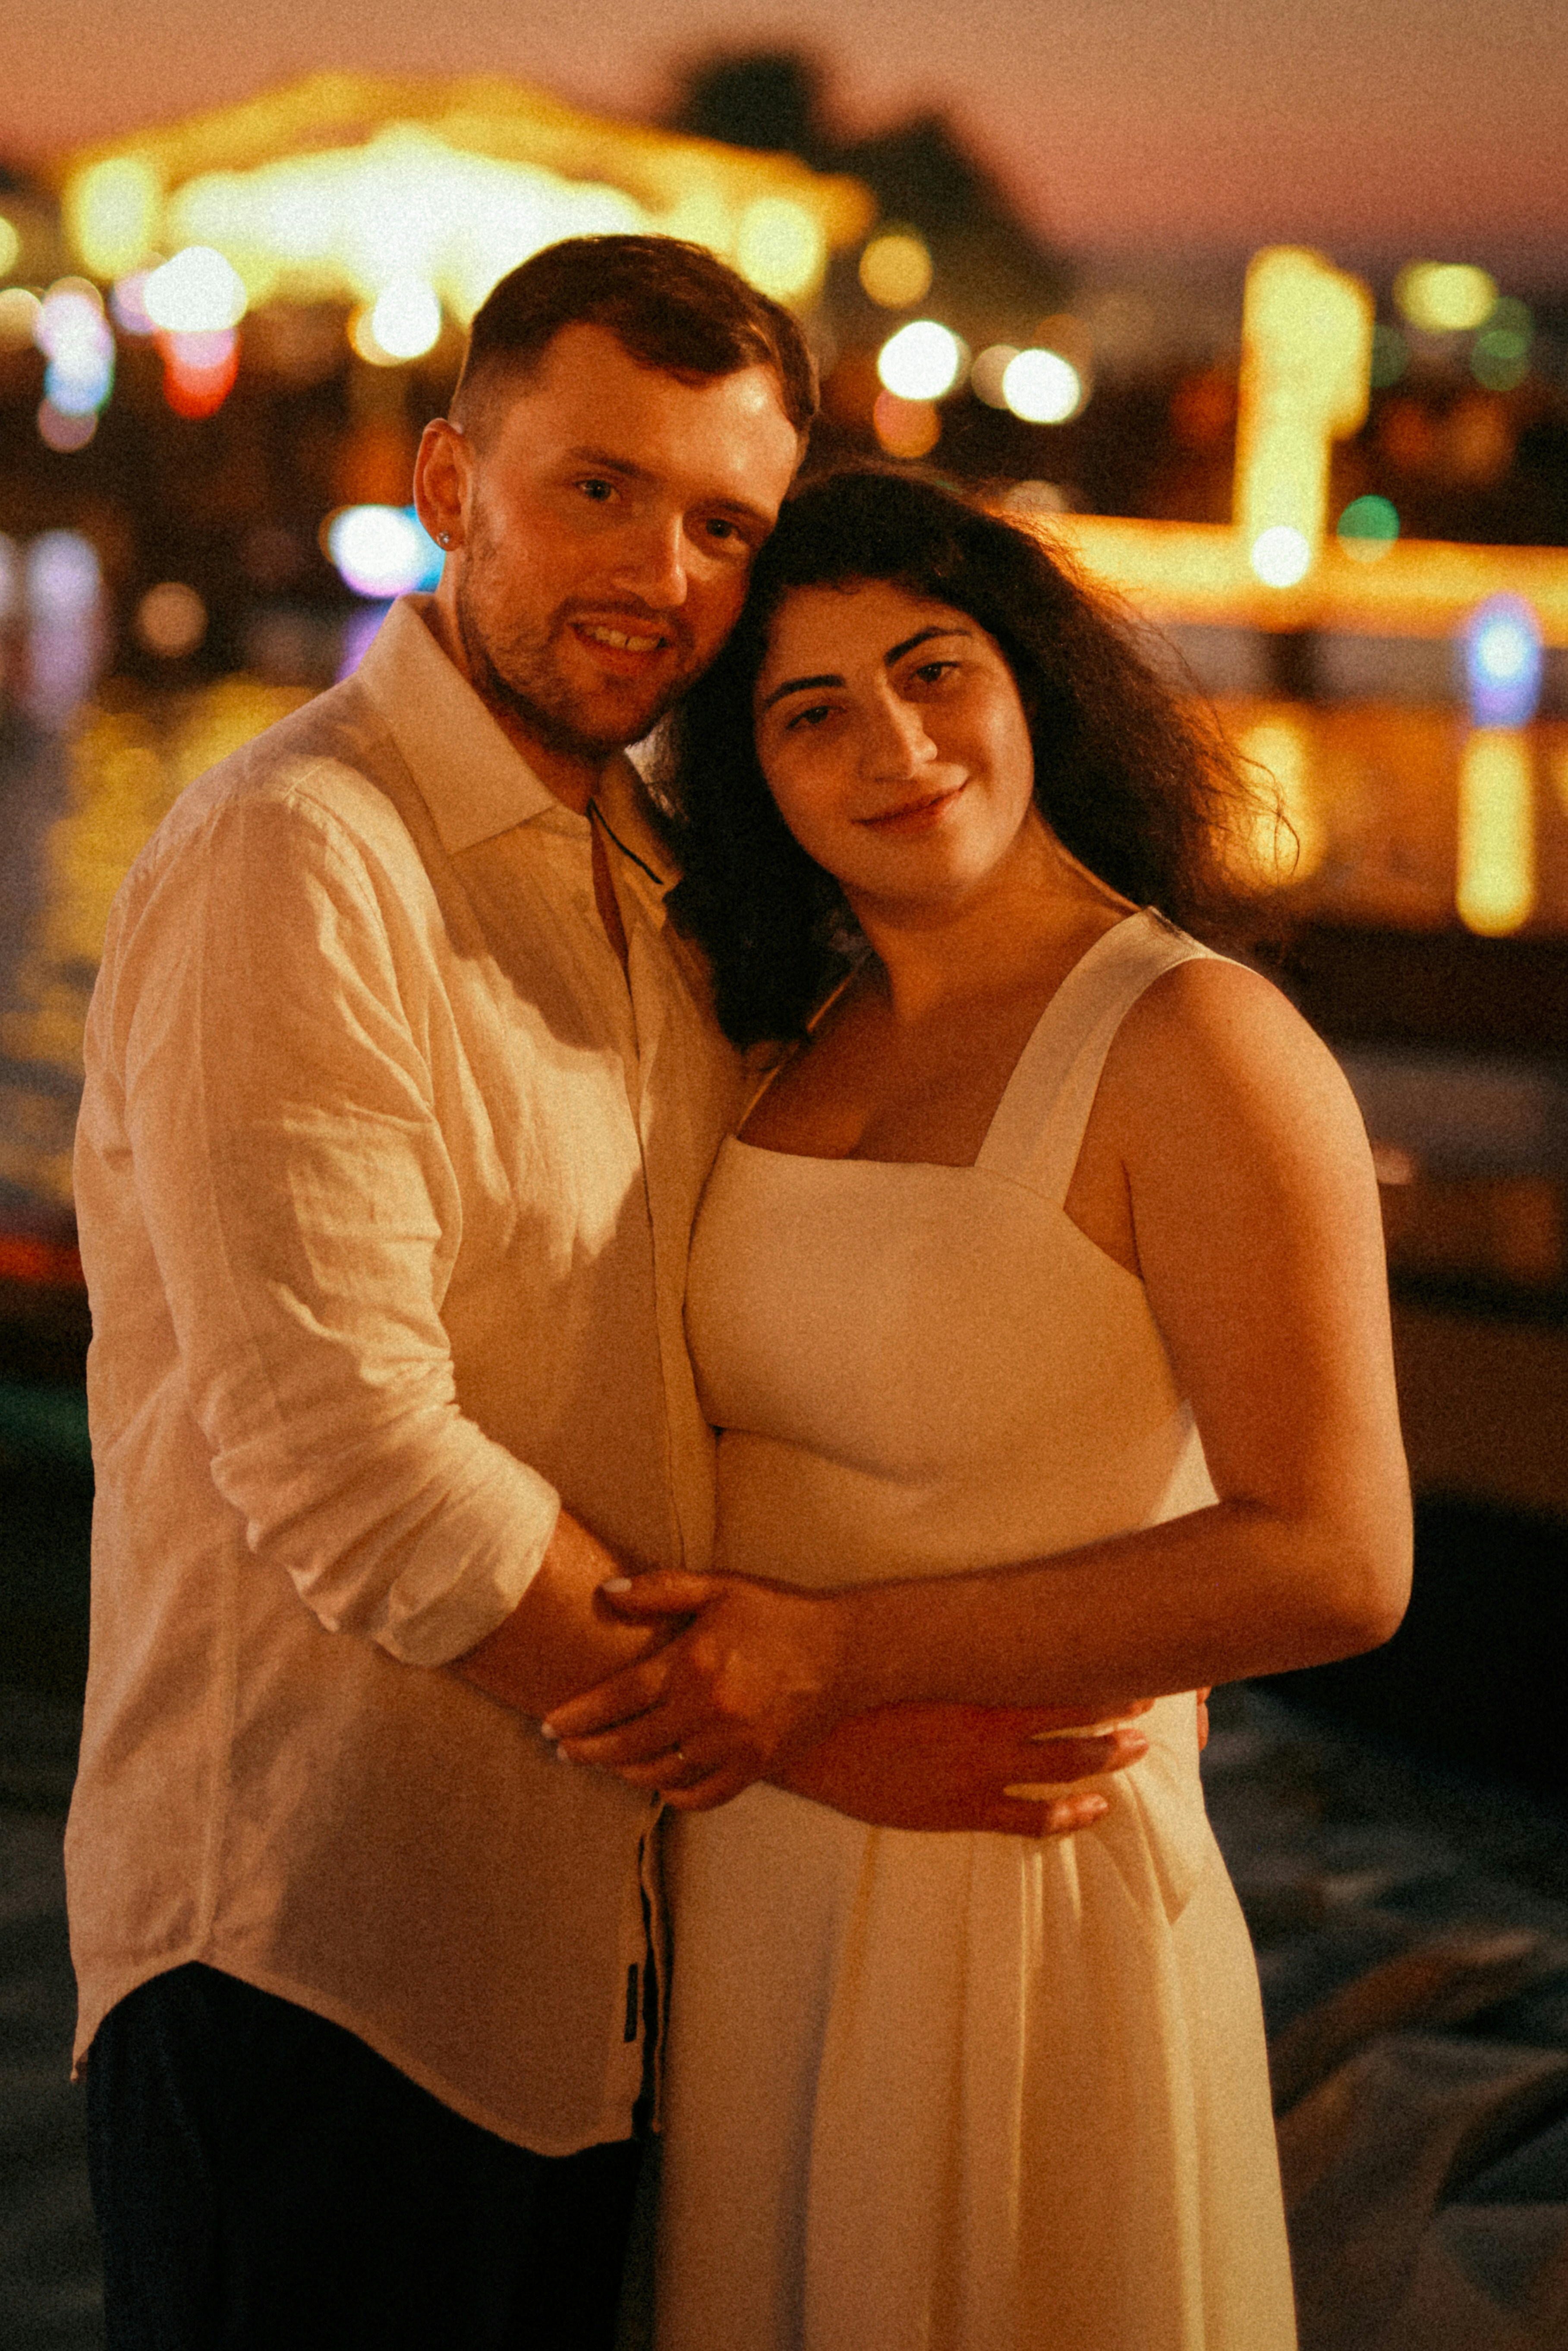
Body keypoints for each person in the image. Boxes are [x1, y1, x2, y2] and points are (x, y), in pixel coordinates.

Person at [66, 244, 1139, 2350]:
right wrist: (803, 1727)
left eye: (726, 523)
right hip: (323, 1959)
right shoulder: (303, 855)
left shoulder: (652, 890)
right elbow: (348, 1459)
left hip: (595, 1977)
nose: (663, 571)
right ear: (453, 485)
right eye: (601, 491)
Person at [542, 468, 1415, 2350]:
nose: (898, 745)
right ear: (753, 776)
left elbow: (1339, 1560)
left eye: (935, 673)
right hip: (760, 1870)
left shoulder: (1192, 1041)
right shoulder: (787, 1033)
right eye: (812, 712)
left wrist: (845, 1658)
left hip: (1014, 1906)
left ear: (1032, 686)